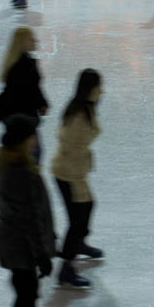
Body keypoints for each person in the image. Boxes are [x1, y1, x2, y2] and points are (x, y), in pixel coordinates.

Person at [0, 114, 56, 307]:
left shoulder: (6, 162)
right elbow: (29, 220)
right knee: (24, 299)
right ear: (23, 140)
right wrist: (42, 254)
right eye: (32, 135)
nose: (36, 139)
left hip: (14, 245)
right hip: (22, 248)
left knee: (28, 294)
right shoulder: (22, 174)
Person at [51, 69, 103, 289]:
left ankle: (79, 243)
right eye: (99, 87)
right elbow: (68, 144)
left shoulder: (83, 108)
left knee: (88, 207)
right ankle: (66, 269)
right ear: (91, 89)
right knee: (77, 221)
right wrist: (76, 179)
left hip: (72, 170)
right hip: (68, 173)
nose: (103, 91)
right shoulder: (80, 115)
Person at [0, 26, 50, 161]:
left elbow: (32, 89)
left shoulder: (22, 62)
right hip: (22, 120)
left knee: (26, 155)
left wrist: (42, 104)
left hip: (19, 118)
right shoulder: (23, 66)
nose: (35, 41)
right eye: (32, 39)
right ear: (23, 41)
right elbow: (8, 95)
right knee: (30, 155)